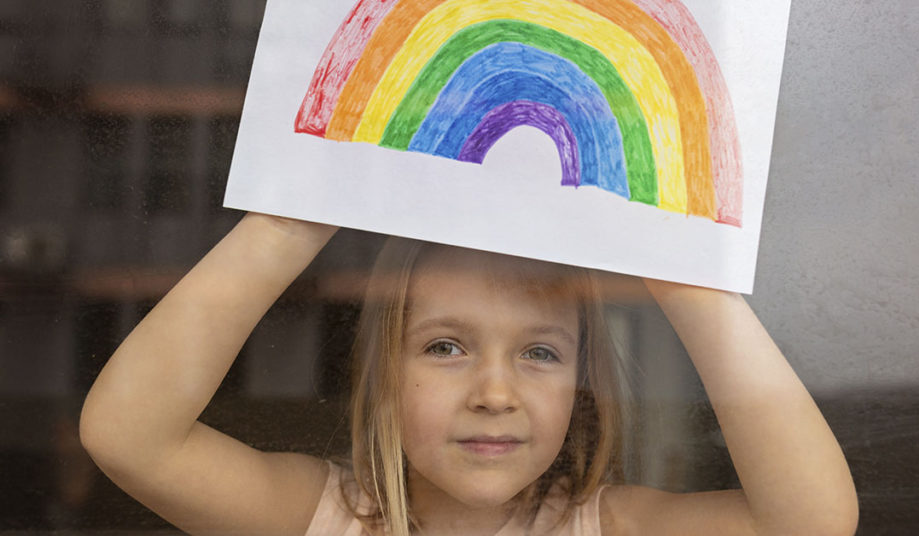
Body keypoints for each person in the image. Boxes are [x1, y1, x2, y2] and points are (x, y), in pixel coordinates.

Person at [79, 212, 858, 535]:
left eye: (540, 353)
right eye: (446, 347)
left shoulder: (605, 524)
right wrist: (292, 216)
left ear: (583, 388)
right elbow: (129, 437)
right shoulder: (326, 516)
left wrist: (689, 283)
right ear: (383, 376)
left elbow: (812, 523)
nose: (494, 393)